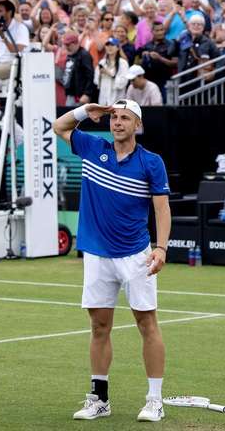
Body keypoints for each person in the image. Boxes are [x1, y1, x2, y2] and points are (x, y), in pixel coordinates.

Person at [53, 99, 171, 423]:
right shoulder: (92, 147)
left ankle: (155, 400)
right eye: (114, 117)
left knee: (147, 324)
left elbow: (161, 209)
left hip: (136, 255)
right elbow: (59, 126)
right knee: (99, 326)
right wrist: (84, 111)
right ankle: (99, 399)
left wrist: (160, 248)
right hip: (96, 254)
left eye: (125, 118)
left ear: (138, 125)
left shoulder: (151, 162)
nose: (117, 122)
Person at [94, 38, 129, 105]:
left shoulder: (123, 63)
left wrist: (109, 73)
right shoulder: (102, 62)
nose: (109, 47)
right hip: (103, 100)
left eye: (112, 45)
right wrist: (100, 75)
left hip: (117, 100)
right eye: (107, 45)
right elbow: (96, 81)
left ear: (118, 48)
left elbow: (123, 82)